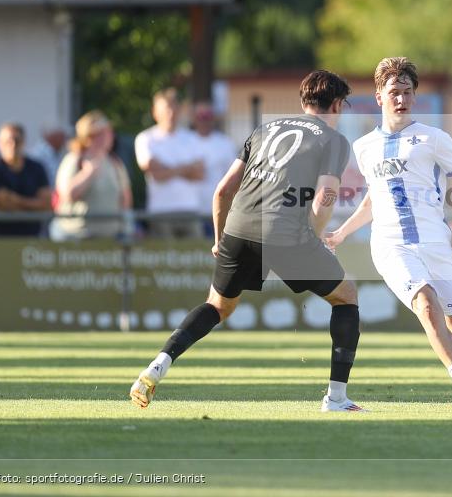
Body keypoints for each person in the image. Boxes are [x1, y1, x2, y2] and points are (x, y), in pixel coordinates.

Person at [131, 70, 364, 413]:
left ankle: (158, 365)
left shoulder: (264, 129)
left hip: (238, 228)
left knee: (217, 306)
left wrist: (218, 238)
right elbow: (327, 193)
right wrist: (314, 236)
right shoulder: (333, 140)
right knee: (346, 297)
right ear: (338, 105)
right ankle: (337, 399)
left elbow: (223, 190)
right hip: (286, 233)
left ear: (303, 102)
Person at [324, 57, 452, 410]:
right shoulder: (364, 146)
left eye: (407, 92)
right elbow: (374, 199)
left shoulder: (433, 138)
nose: (401, 98)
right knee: (426, 307)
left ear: (414, 96)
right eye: (394, 92)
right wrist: (341, 232)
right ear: (379, 98)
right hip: (391, 246)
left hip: (437, 244)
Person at [134, 89, 205, 239]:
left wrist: (166, 169)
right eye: (166, 110)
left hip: (189, 210)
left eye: (174, 109)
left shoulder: (192, 138)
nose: (171, 114)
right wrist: (186, 168)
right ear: (155, 112)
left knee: (195, 259)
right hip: (161, 212)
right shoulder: (146, 138)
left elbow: (199, 174)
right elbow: (154, 172)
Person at [53, 111, 132, 240]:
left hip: (109, 237)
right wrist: (88, 174)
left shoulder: (115, 163)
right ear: (88, 136)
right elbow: (67, 194)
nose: (109, 136)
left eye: (109, 132)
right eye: (102, 133)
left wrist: (124, 227)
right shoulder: (74, 160)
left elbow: (125, 199)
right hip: (77, 238)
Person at [0, 122, 51, 237]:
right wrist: (32, 205)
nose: (13, 145)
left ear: (24, 141)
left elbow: (45, 204)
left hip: (33, 237)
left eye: (17, 140)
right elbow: (2, 205)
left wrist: (14, 199)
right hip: (4, 238)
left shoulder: (37, 167)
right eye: (8, 141)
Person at [192, 103, 237, 237]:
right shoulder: (186, 140)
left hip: (218, 210)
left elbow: (234, 177)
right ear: (194, 118)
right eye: (201, 116)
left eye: (208, 116)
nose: (204, 120)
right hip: (193, 210)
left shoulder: (225, 143)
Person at [27, 125, 68, 190]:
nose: (64, 141)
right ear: (53, 137)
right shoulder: (38, 154)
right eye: (62, 137)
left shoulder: (59, 152)